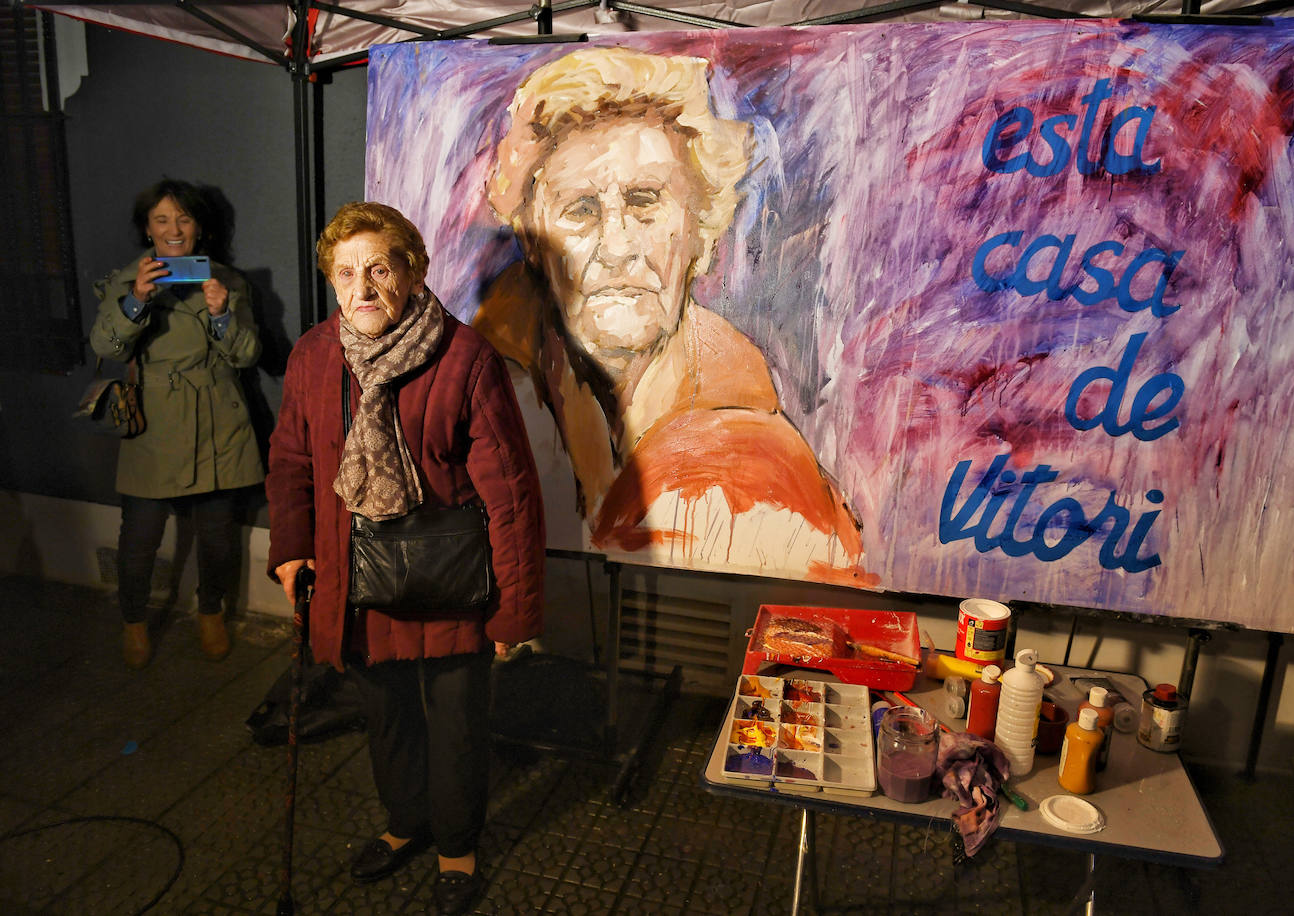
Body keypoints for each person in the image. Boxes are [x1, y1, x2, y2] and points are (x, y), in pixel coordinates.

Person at [476, 46, 870, 586]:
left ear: (701, 236)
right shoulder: (501, 389)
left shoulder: (761, 485)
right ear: (534, 245)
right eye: (582, 210)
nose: (617, 248)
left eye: (643, 201)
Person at [266, 202, 544, 915]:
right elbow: (292, 461)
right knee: (386, 717)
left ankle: (457, 846)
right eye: (347, 272)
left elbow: (509, 495)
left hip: (450, 583)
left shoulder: (465, 357)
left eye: (379, 269)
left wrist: (515, 607)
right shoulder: (314, 356)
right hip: (356, 580)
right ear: (332, 281)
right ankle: (404, 825)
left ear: (412, 273)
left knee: (455, 724)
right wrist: (293, 547)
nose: (362, 287)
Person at [89, 178, 264, 669]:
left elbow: (249, 356)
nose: (173, 229)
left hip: (216, 416)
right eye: (162, 219)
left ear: (199, 228)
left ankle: (210, 612)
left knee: (216, 535)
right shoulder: (127, 281)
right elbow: (105, 347)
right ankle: (134, 621)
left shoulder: (225, 281)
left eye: (183, 219)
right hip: (155, 420)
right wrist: (137, 302)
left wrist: (222, 314)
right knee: (140, 535)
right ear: (147, 229)